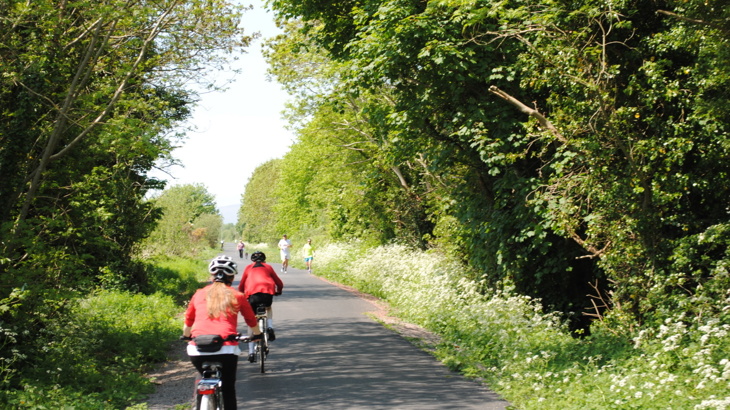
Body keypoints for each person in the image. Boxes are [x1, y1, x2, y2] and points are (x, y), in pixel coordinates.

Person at [183, 255, 262, 410]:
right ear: (231, 277)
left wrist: (187, 337)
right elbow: (251, 320)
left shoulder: (199, 293)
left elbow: (188, 321)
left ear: (212, 276)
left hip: (197, 348)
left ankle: (198, 403)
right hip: (226, 348)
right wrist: (257, 335)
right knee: (227, 388)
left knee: (201, 375)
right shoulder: (237, 295)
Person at [237, 251, 283, 363]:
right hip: (267, 293)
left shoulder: (248, 268)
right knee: (268, 308)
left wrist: (242, 294)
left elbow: (241, 285)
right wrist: (278, 291)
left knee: (252, 320)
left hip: (252, 295)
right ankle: (270, 327)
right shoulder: (268, 267)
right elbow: (279, 282)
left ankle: (251, 352)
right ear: (264, 259)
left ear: (253, 260)